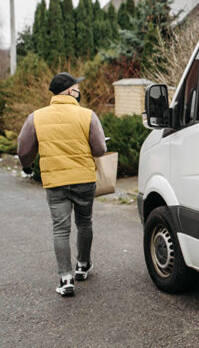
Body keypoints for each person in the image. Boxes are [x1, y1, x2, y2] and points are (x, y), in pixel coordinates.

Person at [17, 72, 107, 297]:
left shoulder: (36, 117)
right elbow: (100, 149)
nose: (79, 91)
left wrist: (27, 166)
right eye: (77, 87)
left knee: (60, 228)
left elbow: (23, 149)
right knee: (84, 222)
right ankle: (83, 265)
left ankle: (65, 278)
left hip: (55, 181)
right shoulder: (88, 115)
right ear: (68, 91)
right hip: (84, 179)